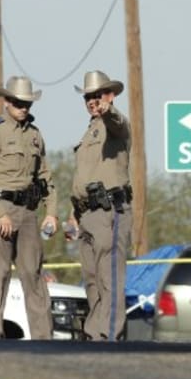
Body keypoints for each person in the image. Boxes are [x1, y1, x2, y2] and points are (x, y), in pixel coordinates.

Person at [0, 76, 58, 340]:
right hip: (1, 211)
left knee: (34, 274)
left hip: (28, 212)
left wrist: (51, 212)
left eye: (27, 103)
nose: (23, 108)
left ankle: (43, 339)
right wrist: (0, 213)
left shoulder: (34, 135)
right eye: (19, 103)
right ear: (7, 101)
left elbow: (45, 177)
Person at [69, 69, 132, 342]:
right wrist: (74, 214)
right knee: (92, 279)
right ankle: (94, 334)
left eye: (98, 95)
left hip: (109, 211)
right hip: (87, 213)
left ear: (110, 95)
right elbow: (84, 177)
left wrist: (109, 110)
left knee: (109, 276)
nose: (93, 101)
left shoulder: (114, 124)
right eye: (88, 97)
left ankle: (108, 334)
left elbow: (118, 122)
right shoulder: (89, 132)